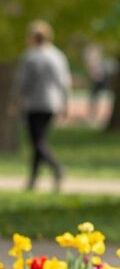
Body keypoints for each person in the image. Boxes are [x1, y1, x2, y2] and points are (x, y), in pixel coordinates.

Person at [10, 20, 72, 192]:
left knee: (36, 141)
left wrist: (15, 100)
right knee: (39, 140)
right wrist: (65, 102)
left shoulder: (30, 56)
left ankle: (56, 167)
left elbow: (23, 82)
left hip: (34, 104)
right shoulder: (57, 55)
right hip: (52, 103)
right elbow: (64, 81)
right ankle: (32, 180)